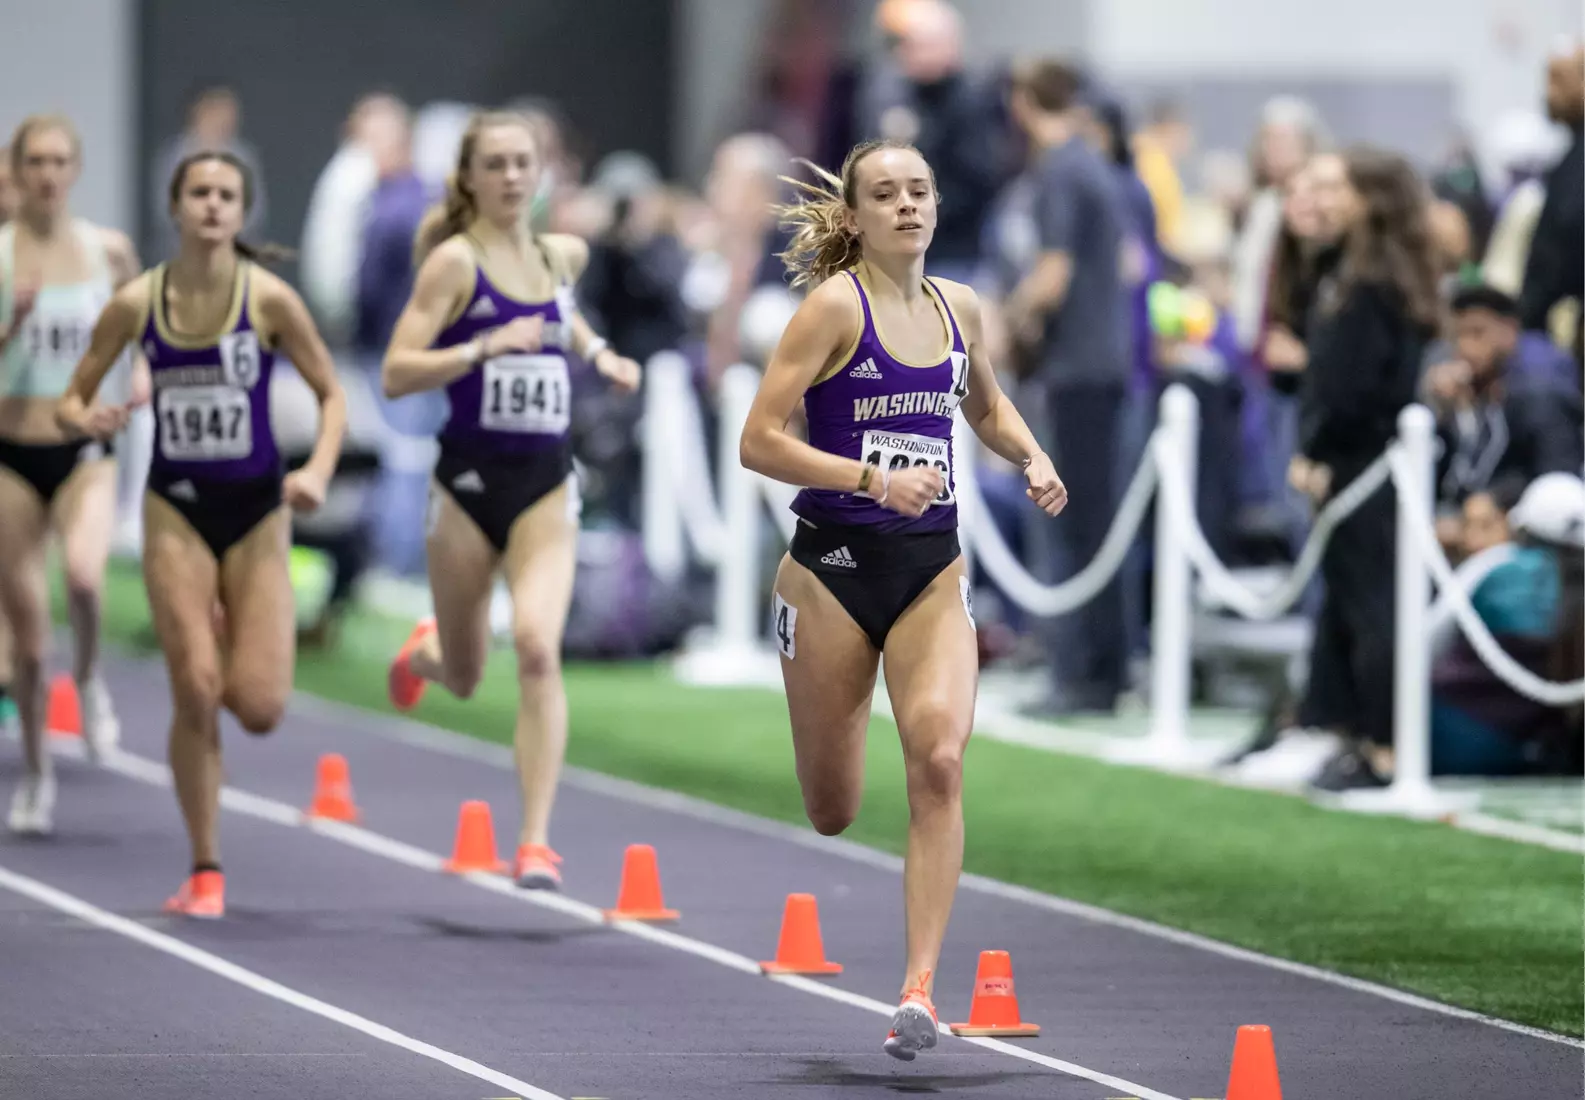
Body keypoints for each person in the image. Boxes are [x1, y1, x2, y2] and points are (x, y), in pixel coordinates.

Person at [738, 138, 1067, 1060]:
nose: (907, 206)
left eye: (919, 189)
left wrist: (1030, 456)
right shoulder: (830, 311)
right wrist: (870, 477)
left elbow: (986, 405)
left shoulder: (959, 306)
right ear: (854, 216)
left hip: (930, 569)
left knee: (939, 759)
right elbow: (757, 441)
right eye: (885, 194)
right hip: (831, 570)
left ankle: (919, 988)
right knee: (832, 808)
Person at [56, 150, 347, 915]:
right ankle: (206, 868)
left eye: (226, 194)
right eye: (200, 193)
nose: (213, 205)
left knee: (257, 706)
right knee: (195, 688)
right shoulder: (138, 302)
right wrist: (86, 416)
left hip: (255, 513)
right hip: (176, 509)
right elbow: (72, 397)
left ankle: (223, 629)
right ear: (176, 208)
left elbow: (331, 394)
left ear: (241, 211)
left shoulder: (271, 300)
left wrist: (316, 468)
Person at [382, 111, 641, 892]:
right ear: (469, 178)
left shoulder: (561, 256)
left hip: (542, 482)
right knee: (463, 673)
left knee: (535, 645)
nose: (511, 177)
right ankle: (424, 652)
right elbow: (396, 371)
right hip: (465, 484)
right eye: (494, 164)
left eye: (523, 163)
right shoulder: (454, 265)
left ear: (543, 174)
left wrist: (601, 354)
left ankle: (533, 841)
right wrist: (481, 347)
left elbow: (565, 319)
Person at [0, 116, 145, 833]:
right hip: (12, 454)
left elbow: (147, 319)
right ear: (17, 171)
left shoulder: (105, 250)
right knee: (27, 643)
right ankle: (35, 773)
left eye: (61, 160)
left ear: (75, 169)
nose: (48, 174)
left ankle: (87, 680)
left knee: (86, 578)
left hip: (84, 448)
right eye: (36, 161)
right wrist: (8, 323)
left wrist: (143, 372)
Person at [1288, 147, 1442, 792]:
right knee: (1353, 603)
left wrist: (1318, 450)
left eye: (1342, 188)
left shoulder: (1374, 284)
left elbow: (1350, 389)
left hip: (1365, 464)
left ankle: (1384, 744)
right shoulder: (1356, 273)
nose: (1330, 201)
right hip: (1359, 460)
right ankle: (1353, 731)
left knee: (1375, 605)